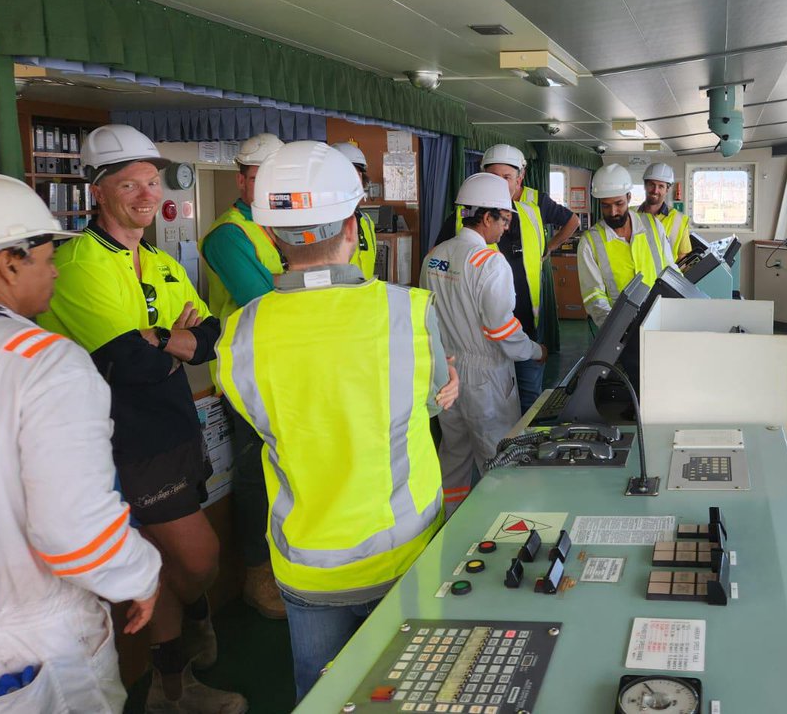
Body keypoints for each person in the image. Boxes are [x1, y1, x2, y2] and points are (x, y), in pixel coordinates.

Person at [214, 141, 458, 701]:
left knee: (320, 693)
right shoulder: (409, 311)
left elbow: (261, 420)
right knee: (410, 693)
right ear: (353, 226)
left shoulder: (239, 333)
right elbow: (430, 403)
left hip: (307, 561)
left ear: (270, 234)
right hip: (403, 554)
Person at [39, 124, 246, 713]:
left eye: (152, 182)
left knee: (165, 561)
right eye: (129, 184)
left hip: (174, 426)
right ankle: (186, 648)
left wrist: (162, 340)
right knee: (197, 560)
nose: (146, 194)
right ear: (97, 192)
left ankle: (171, 685)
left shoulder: (159, 260)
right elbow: (128, 364)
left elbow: (212, 337)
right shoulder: (78, 263)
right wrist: (170, 344)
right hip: (123, 440)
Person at [0, 174, 162, 713]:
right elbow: (74, 533)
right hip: (28, 652)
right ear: (8, 263)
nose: (56, 270)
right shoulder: (45, 364)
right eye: (45, 258)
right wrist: (140, 574)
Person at [199, 132, 287, 620]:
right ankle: (258, 574)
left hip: (289, 368)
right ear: (241, 181)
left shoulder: (281, 224)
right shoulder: (228, 236)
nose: (266, 186)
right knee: (256, 473)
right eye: (257, 177)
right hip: (248, 375)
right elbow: (266, 302)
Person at [423, 172, 547, 512]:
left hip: (447, 375)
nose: (506, 228)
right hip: (486, 378)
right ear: (486, 217)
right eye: (504, 219)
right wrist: (534, 351)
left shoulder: (435, 256)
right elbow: (501, 330)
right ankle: (502, 525)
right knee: (499, 459)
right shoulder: (490, 262)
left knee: (454, 456)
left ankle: (451, 525)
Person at [437, 144, 577, 413]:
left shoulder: (532, 212)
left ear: (520, 178)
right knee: (493, 415)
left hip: (525, 328)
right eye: (493, 177)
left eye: (506, 177)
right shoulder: (460, 220)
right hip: (480, 342)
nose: (499, 185)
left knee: (528, 406)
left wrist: (548, 249)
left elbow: (570, 222)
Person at [578, 162, 675, 326]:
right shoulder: (589, 242)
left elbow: (670, 269)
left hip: (660, 317)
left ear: (629, 197)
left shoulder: (652, 225)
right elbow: (594, 296)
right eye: (606, 206)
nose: (613, 212)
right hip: (620, 327)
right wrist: (615, 329)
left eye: (619, 204)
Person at [331, 141, 380, 279]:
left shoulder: (366, 221)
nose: (353, 181)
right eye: (345, 174)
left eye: (357, 174)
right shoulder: (320, 224)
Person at [637, 162, 692, 259]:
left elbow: (683, 258)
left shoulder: (680, 220)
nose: (655, 190)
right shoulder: (630, 215)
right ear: (645, 186)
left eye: (661, 186)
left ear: (667, 189)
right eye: (652, 185)